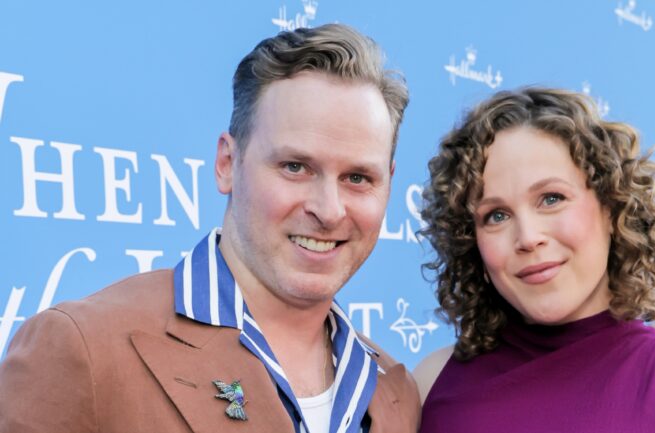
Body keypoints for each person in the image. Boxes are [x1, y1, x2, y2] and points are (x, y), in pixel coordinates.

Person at [0, 24, 420, 433]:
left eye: (358, 178)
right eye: (295, 167)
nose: (329, 210)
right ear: (226, 165)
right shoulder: (85, 350)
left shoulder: (394, 389)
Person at [414, 87, 655, 432]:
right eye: (496, 215)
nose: (528, 237)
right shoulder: (428, 387)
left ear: (611, 207)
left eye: (551, 198)